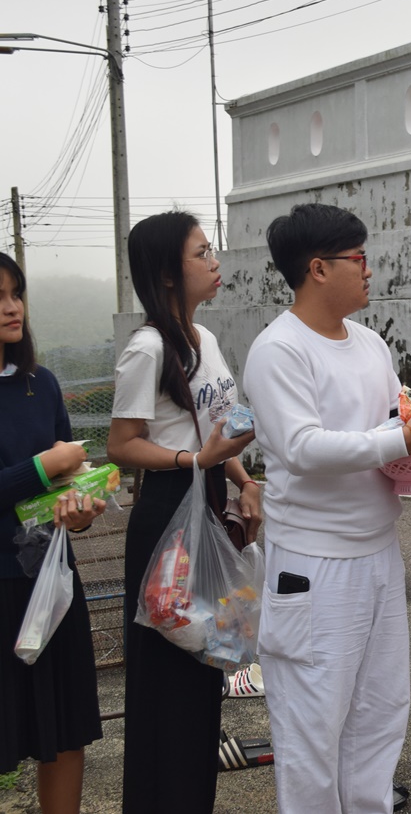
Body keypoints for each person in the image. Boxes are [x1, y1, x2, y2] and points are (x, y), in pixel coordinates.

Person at [242, 203, 411, 814]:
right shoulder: (279, 350)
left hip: (377, 549)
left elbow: (391, 430)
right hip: (315, 562)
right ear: (317, 268)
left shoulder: (368, 343)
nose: (370, 271)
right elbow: (301, 447)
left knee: (379, 710)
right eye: (359, 259)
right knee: (313, 723)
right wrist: (406, 436)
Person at [106, 212, 262, 814]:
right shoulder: (147, 349)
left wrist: (244, 481)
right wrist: (194, 458)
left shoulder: (207, 340)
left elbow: (222, 430)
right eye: (201, 252)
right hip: (169, 514)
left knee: (208, 668)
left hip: (209, 501)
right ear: (169, 274)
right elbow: (122, 445)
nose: (215, 261)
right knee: (166, 681)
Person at [0, 253, 106, 814]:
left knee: (62, 732)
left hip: (51, 582)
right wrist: (45, 466)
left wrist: (82, 509)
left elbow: (72, 481)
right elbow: (52, 464)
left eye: (16, 293)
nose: (12, 306)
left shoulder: (40, 382)